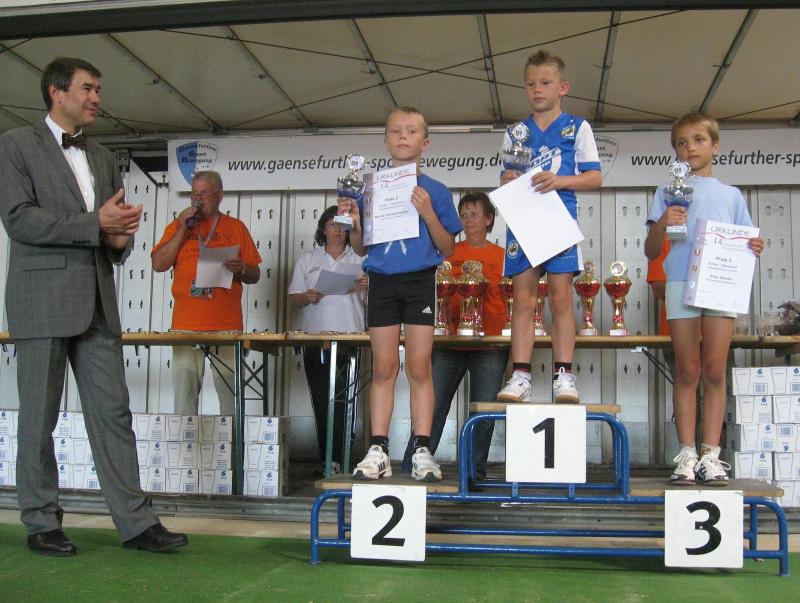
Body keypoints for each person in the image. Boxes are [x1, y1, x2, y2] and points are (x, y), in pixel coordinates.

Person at [0, 57, 186, 556]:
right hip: (41, 300)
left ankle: (137, 523)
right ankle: (41, 522)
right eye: (87, 88)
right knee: (38, 418)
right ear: (56, 92)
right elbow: (19, 220)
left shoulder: (103, 156)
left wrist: (120, 239)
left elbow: (109, 230)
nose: (96, 99)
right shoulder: (15, 145)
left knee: (113, 415)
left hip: (99, 301)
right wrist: (96, 224)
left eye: (98, 89)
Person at [337, 106, 462, 481]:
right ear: (385, 140)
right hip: (382, 282)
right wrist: (355, 223)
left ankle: (422, 448)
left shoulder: (436, 191)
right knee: (384, 367)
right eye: (395, 131)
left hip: (420, 280)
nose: (403, 136)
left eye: (411, 131)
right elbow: (360, 248)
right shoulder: (369, 189)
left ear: (425, 143)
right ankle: (378, 449)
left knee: (419, 367)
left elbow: (448, 248)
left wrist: (428, 213)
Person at [645, 111, 764, 486]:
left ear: (715, 146)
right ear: (675, 151)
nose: (690, 148)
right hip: (681, 281)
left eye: (698, 140)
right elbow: (651, 250)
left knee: (714, 369)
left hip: (719, 284)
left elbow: (746, 241)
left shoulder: (731, 195)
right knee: (687, 369)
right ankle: (686, 453)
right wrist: (663, 221)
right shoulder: (666, 192)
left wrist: (754, 245)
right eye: (682, 143)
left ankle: (711, 454)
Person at [496, 50, 602, 404]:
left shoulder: (577, 127)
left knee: (560, 297)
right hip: (524, 220)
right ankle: (521, 375)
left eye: (545, 82)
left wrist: (559, 181)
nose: (537, 90)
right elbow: (507, 177)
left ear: (563, 87)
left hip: (559, 219)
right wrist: (507, 180)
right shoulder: (516, 132)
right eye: (530, 84)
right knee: (523, 299)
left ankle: (563, 375)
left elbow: (595, 177)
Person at [400, 192, 508, 480]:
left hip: (490, 344)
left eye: (475, 214)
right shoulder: (447, 254)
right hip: (448, 342)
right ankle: (412, 467)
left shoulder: (502, 257)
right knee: (431, 407)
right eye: (464, 214)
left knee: (483, 412)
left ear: (489, 219)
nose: (469, 220)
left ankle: (474, 475)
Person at [151, 170, 261, 416]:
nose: (197, 199)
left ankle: (231, 442)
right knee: (184, 398)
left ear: (219, 196)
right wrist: (182, 229)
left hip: (227, 326)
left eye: (204, 193)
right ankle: (185, 441)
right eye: (194, 193)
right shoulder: (177, 226)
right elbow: (158, 264)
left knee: (231, 400)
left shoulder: (235, 227)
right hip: (186, 326)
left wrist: (242, 268)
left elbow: (255, 274)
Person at [288, 206, 366, 474]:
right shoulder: (308, 260)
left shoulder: (361, 259)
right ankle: (327, 458)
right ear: (323, 228)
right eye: (332, 224)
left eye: (342, 225)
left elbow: (372, 302)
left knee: (345, 400)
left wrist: (366, 286)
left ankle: (342, 457)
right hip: (315, 337)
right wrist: (306, 296)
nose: (337, 230)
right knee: (321, 400)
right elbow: (294, 298)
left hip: (350, 337)